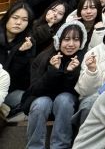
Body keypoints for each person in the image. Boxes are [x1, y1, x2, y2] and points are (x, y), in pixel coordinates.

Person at [23, 21, 87, 149]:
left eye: (76, 40)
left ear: (82, 42)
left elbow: (76, 92)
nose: (71, 44)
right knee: (41, 103)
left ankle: (60, 146)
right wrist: (53, 71)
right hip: (42, 98)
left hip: (67, 106)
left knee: (64, 99)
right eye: (66, 39)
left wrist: (70, 72)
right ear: (58, 41)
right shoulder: (43, 58)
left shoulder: (84, 59)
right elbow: (35, 90)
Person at [0, 2, 35, 113]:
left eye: (24, 20)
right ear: (7, 17)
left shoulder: (28, 43)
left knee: (28, 100)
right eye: (15, 17)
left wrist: (20, 55)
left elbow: (23, 80)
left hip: (9, 89)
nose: (19, 22)